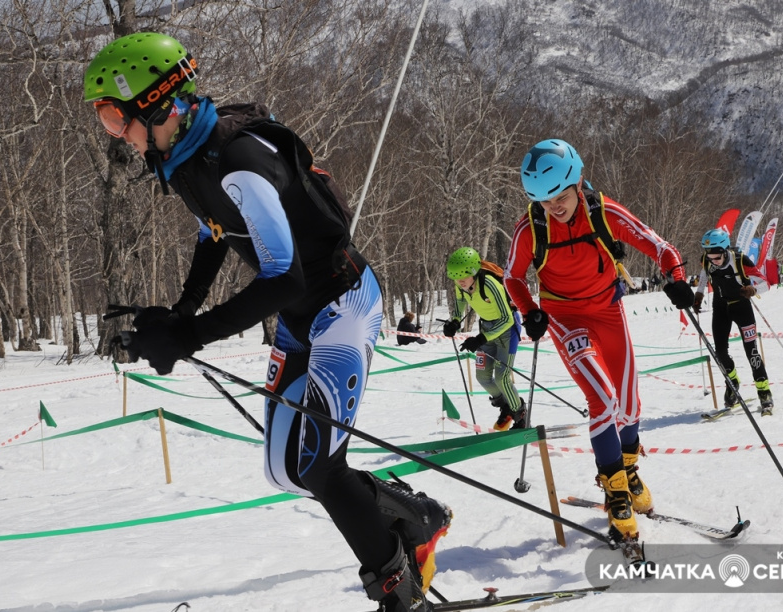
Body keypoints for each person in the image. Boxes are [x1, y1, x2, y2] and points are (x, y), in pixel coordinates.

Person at [85, 32, 449, 612]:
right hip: (301, 318)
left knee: (321, 470)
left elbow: (285, 279)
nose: (114, 134)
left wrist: (191, 335)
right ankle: (415, 515)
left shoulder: (238, 162)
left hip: (342, 306)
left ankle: (399, 592)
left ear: (158, 105)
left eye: (112, 118)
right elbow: (215, 231)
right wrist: (183, 310)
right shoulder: (183, 155)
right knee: (285, 469)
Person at [505, 139, 693, 542]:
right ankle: (616, 492)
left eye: (561, 195)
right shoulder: (530, 229)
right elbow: (513, 277)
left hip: (608, 310)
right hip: (564, 318)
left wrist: (676, 279)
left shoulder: (603, 212)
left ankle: (629, 472)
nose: (553, 206)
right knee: (602, 398)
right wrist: (529, 310)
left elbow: (660, 247)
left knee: (628, 404)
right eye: (543, 200)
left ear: (578, 182)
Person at [443, 247, 525, 431]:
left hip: (507, 330)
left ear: (473, 271)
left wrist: (480, 339)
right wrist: (454, 321)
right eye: (455, 277)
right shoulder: (460, 286)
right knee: (483, 377)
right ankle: (506, 407)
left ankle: (520, 414)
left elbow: (507, 318)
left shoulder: (489, 284)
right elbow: (460, 303)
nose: (459, 281)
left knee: (502, 377)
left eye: (463, 276)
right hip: (487, 328)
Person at [693, 229, 774, 415]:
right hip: (720, 308)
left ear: (725, 250)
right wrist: (699, 293)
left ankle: (764, 392)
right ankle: (732, 383)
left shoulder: (740, 261)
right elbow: (705, 274)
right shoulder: (707, 260)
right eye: (710, 257)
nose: (714, 261)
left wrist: (753, 290)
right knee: (719, 352)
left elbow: (765, 283)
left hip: (741, 308)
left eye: (717, 258)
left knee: (751, 351)